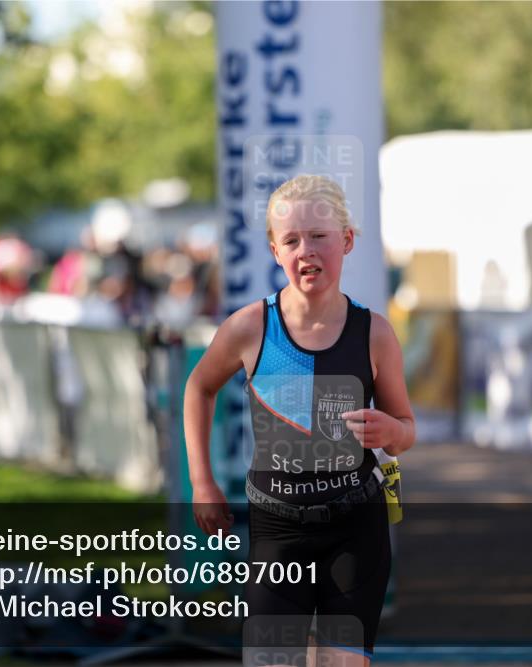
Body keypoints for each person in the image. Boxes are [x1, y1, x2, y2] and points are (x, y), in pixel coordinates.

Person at [183, 174, 416, 667]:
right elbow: (199, 388)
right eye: (291, 240)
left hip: (356, 528)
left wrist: (392, 432)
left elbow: (406, 429)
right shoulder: (249, 327)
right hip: (278, 531)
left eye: (319, 237)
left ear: (347, 241)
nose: (306, 250)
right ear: (274, 250)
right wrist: (202, 483)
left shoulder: (373, 333)